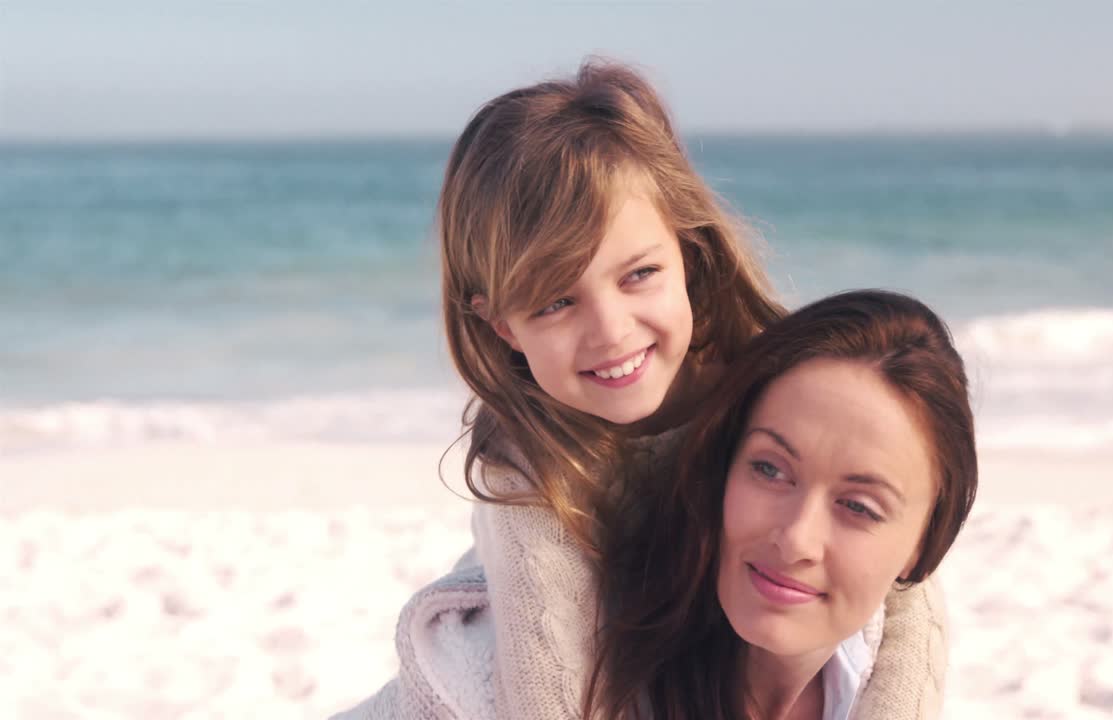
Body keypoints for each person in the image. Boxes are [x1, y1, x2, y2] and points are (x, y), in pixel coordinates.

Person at [335, 60, 949, 720]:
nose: (611, 332)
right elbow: (549, 691)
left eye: (638, 275)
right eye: (555, 302)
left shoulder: (775, 383)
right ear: (501, 325)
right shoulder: (527, 463)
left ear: (688, 250)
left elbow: (902, 576)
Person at [587, 289, 978, 719]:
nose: (795, 541)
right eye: (769, 469)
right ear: (723, 463)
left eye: (858, 507)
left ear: (922, 545)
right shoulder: (591, 658)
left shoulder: (888, 688)